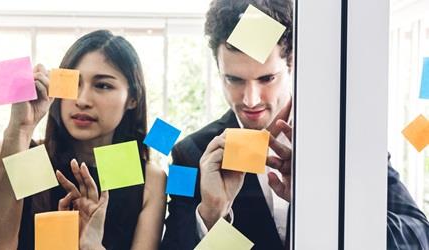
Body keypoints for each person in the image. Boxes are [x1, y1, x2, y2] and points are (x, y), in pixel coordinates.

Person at [160, 0, 429, 249]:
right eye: (234, 80)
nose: (250, 99)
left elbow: (419, 235)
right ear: (219, 70)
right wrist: (211, 214)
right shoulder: (187, 155)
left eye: (266, 78)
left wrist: (321, 204)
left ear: (292, 64)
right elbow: (171, 244)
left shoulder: (346, 140)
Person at [0, 30, 166, 250]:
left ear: (133, 99)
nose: (82, 100)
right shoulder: (26, 155)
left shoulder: (150, 178)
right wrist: (19, 131)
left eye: (103, 85)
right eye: (74, 83)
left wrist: (92, 246)